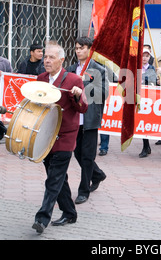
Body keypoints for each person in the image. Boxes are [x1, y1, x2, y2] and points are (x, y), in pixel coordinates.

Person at [32, 41, 88, 234]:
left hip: (65, 136)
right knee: (57, 177)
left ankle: (41, 218)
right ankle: (70, 213)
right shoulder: (40, 78)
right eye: (45, 57)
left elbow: (83, 108)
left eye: (51, 57)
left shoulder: (73, 80)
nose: (47, 60)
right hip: (45, 136)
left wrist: (78, 95)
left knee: (53, 180)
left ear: (61, 60)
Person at [67, 37, 107, 205]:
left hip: (90, 118)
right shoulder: (70, 69)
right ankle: (97, 174)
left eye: (81, 48)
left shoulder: (98, 69)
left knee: (87, 156)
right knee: (77, 152)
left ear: (90, 49)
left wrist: (84, 84)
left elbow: (103, 93)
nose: (78, 51)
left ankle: (84, 190)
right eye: (76, 48)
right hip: (74, 118)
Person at [139, 46, 157, 158]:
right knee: (140, 121)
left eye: (146, 56)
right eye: (143, 56)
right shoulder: (136, 67)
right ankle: (146, 145)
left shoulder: (151, 68)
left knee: (145, 121)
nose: (144, 58)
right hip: (139, 97)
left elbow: (152, 80)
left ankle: (146, 147)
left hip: (148, 98)